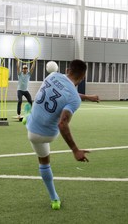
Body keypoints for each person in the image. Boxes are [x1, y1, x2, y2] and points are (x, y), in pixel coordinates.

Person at [25, 59, 99, 210]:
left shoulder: (51, 77)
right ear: (83, 77)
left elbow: (63, 90)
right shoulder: (74, 99)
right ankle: (54, 200)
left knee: (43, 162)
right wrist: (75, 150)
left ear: (67, 70)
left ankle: (54, 198)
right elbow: (62, 123)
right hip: (49, 134)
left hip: (32, 131)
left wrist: (86, 97)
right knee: (45, 160)